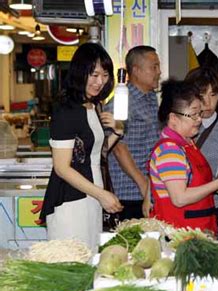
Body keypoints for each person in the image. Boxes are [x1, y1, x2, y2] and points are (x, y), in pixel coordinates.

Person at [40, 43, 123, 252]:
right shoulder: (65, 110)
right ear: (80, 72)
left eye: (104, 75)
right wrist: (101, 194)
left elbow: (94, 154)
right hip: (70, 200)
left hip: (91, 194)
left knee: (91, 257)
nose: (100, 81)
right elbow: (62, 167)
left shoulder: (94, 105)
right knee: (73, 263)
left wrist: (117, 132)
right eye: (94, 75)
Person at [148, 79, 218, 233]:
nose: (199, 119)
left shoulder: (186, 143)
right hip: (178, 233)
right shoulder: (169, 150)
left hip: (198, 228)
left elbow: (192, 184)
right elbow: (180, 198)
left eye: (199, 113)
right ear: (173, 118)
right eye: (193, 115)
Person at [105, 45, 161, 221]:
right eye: (154, 67)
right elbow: (118, 148)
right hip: (130, 193)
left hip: (150, 190)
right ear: (136, 70)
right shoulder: (122, 101)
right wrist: (144, 185)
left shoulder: (151, 98)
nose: (159, 72)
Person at [184, 67, 218, 223]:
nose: (207, 102)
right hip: (181, 204)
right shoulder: (179, 123)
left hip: (214, 206)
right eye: (201, 95)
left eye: (213, 94)